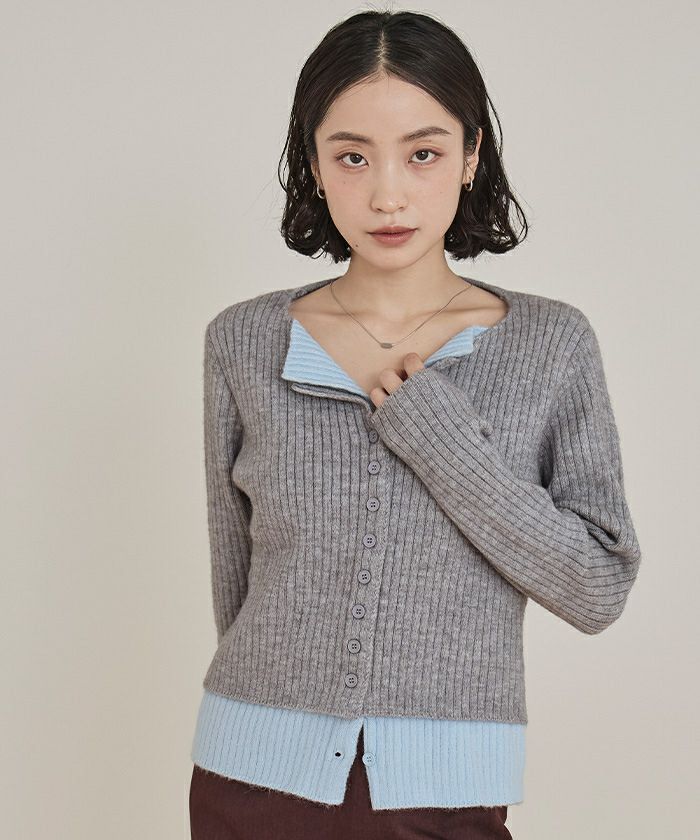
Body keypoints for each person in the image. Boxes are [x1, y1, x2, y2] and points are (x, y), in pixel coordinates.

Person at [189, 10, 642, 839]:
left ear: (471, 156)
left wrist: (440, 441)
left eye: (423, 153)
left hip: (443, 789)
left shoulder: (551, 343)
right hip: (247, 775)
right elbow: (237, 581)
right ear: (313, 165)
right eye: (352, 156)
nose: (387, 194)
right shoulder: (243, 340)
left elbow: (597, 588)